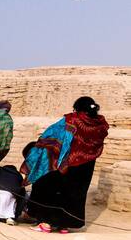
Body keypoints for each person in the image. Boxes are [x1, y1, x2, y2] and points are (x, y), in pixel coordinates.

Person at [23, 96, 108, 232]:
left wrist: (41, 147)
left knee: (50, 187)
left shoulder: (71, 120)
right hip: (86, 166)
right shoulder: (100, 124)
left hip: (68, 163)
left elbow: (51, 134)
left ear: (77, 108)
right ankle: (64, 225)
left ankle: (47, 223)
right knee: (74, 193)